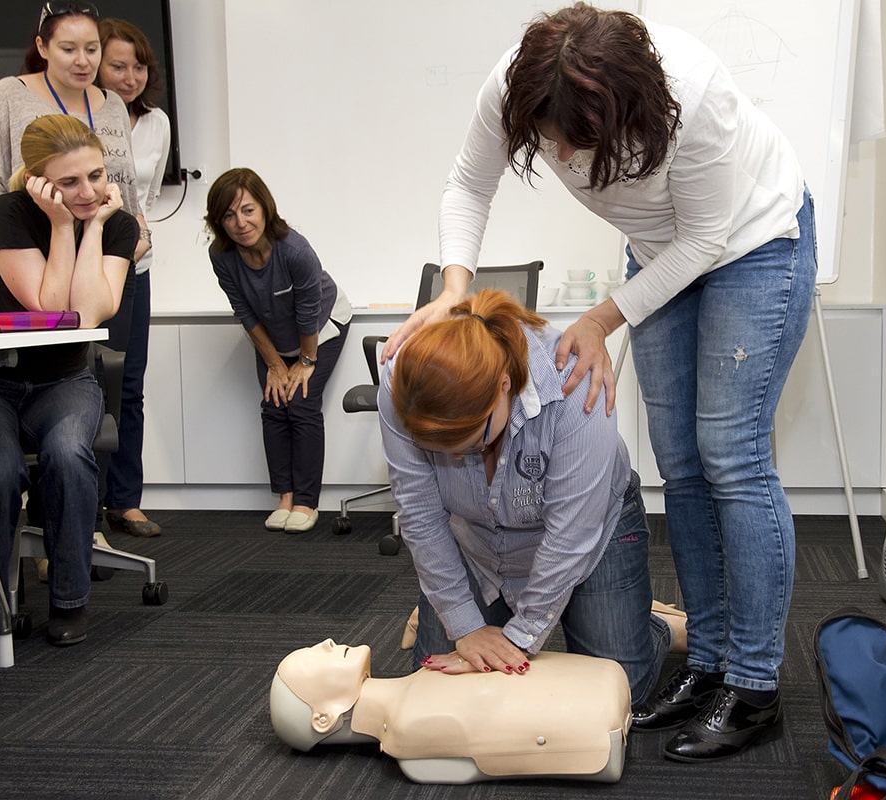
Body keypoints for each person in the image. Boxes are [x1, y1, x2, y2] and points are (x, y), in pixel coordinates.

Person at [383, 4, 817, 761]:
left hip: (750, 241)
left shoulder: (695, 95)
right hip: (660, 249)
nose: (561, 154)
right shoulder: (517, 85)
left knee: (730, 454)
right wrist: (453, 289)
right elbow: (467, 187)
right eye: (547, 138)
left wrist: (601, 318)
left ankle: (753, 685)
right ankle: (708, 662)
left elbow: (709, 238)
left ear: (630, 107)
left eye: (576, 140)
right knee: (680, 464)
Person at [379, 289, 670, 707]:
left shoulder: (574, 382)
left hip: (587, 532)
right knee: (440, 696)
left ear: (504, 385)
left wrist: (518, 639)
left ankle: (653, 626)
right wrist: (463, 624)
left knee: (626, 694)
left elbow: (570, 537)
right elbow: (420, 514)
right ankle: (466, 608)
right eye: (440, 451)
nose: (457, 458)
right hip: (477, 541)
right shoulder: (400, 383)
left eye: (470, 443)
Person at [0, 114, 136, 650]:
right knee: (1, 471)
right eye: (69, 182)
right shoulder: (10, 213)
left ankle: (69, 601)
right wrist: (59, 224)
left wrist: (93, 225)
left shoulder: (117, 223)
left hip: (64, 381)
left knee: (69, 454)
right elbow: (52, 308)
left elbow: (91, 311)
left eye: (96, 176)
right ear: (38, 180)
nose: (88, 191)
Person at [205, 168, 351, 533]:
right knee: (273, 404)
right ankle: (284, 498)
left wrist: (304, 362)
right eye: (228, 215)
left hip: (321, 327)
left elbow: (308, 311)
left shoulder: (295, 250)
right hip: (272, 333)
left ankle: (306, 502)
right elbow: (244, 310)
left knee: (300, 402)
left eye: (248, 210)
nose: (240, 223)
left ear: (265, 208)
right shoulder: (221, 256)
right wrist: (273, 362)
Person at [270, 639, 631, 784]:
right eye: (315, 658)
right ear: (324, 718)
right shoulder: (409, 730)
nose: (327, 643)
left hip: (598, 693)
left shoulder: (420, 685)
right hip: (598, 719)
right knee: (639, 680)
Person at [0, 1, 145, 255]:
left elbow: (126, 188)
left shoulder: (114, 104)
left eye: (92, 49)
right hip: (38, 263)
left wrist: (142, 239)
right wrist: (11, 258)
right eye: (68, 49)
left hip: (117, 260)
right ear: (42, 47)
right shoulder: (8, 95)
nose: (83, 61)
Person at [94, 17, 173, 539]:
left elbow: (146, 198)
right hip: (84, 268)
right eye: (118, 66)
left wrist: (142, 243)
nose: (129, 76)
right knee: (88, 386)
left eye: (138, 66)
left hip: (135, 264)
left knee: (129, 385)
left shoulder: (158, 123)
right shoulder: (89, 116)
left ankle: (125, 500)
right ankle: (85, 504)